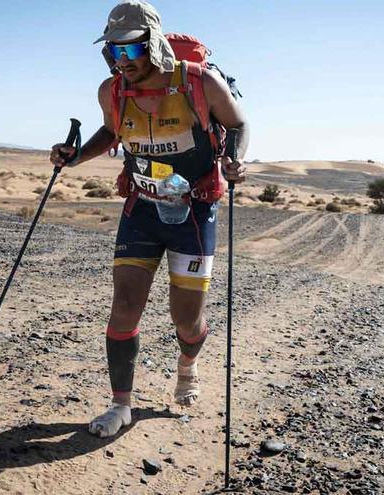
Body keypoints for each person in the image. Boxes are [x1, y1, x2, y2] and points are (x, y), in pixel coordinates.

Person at [49, 0, 249, 438]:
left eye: (131, 50)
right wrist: (75, 157)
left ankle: (187, 365)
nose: (122, 62)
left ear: (153, 45)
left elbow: (237, 124)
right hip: (141, 206)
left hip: (194, 210)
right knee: (123, 307)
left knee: (186, 319)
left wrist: (234, 160)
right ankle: (121, 406)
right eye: (113, 53)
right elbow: (113, 131)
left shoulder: (199, 82)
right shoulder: (113, 91)